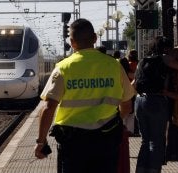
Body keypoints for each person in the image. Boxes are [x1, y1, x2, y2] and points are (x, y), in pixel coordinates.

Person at [34, 18, 136, 173]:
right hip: (106, 141)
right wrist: (112, 123)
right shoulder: (114, 66)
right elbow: (127, 106)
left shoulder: (63, 68)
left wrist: (41, 142)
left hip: (73, 144)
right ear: (95, 38)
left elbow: (48, 108)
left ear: (72, 42)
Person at [134, 36, 178, 173]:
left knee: (145, 141)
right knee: (156, 141)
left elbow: (134, 83)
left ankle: (141, 170)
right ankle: (154, 170)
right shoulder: (165, 58)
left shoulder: (142, 61)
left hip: (139, 101)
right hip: (156, 101)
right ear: (166, 48)